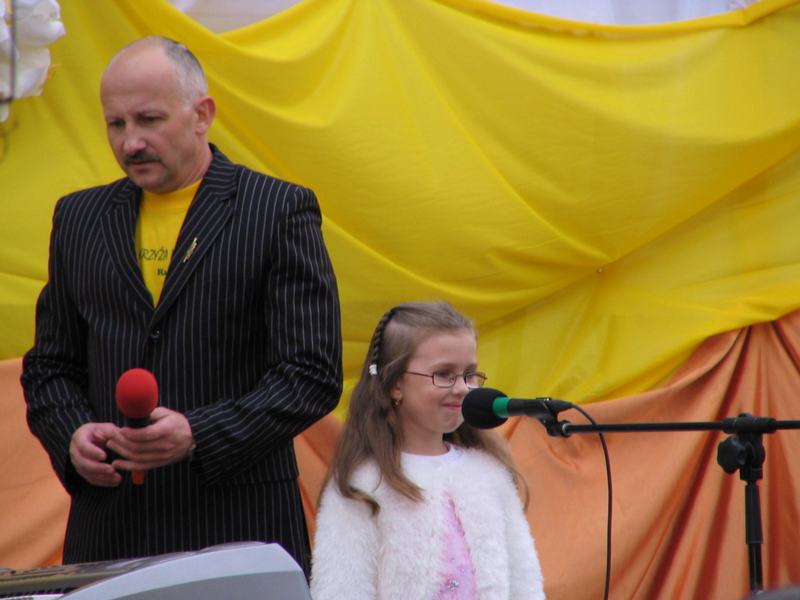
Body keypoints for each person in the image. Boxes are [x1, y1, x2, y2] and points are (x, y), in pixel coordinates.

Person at [21, 36, 342, 575]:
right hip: (110, 533)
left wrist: (199, 433)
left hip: (238, 528)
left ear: (202, 115)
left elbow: (311, 373)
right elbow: (50, 366)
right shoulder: (78, 219)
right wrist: (73, 435)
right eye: (115, 124)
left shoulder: (277, 209)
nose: (131, 142)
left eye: (149, 119)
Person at [310, 302, 545, 599]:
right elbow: (341, 589)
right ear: (396, 384)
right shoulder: (364, 485)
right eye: (444, 374)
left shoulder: (488, 472)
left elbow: (524, 581)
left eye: (469, 374)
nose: (462, 388)